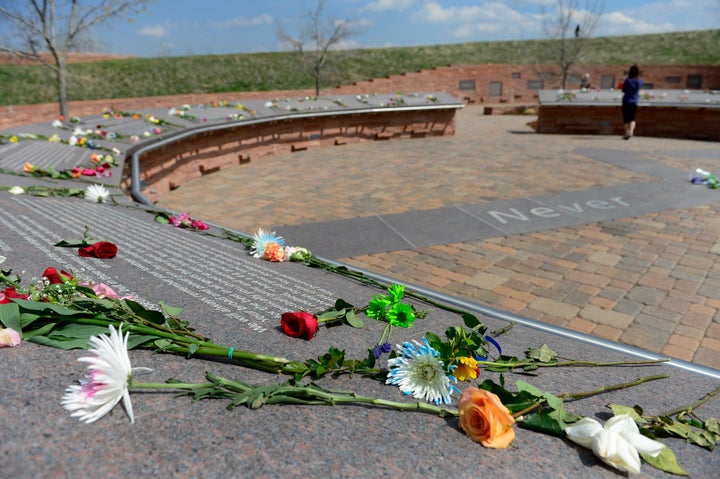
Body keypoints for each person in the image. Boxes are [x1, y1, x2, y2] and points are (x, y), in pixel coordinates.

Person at [621, 64, 643, 139]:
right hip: (634, 101)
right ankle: (631, 132)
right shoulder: (639, 81)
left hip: (626, 101)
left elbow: (623, 90)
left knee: (626, 118)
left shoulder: (628, 80)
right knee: (632, 118)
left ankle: (626, 133)